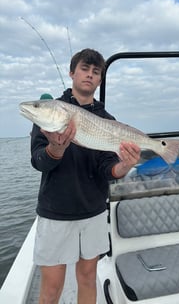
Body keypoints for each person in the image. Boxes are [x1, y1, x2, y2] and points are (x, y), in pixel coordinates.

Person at [30, 48, 141, 304]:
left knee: (88, 277)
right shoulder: (49, 112)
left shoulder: (108, 120)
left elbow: (108, 169)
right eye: (84, 69)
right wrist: (55, 148)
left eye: (95, 72)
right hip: (55, 210)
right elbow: (38, 162)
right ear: (72, 73)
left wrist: (125, 166)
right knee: (52, 286)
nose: (89, 75)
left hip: (93, 211)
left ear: (100, 79)